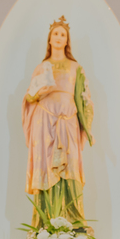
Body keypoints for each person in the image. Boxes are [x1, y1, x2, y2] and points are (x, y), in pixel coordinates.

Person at [23, 15, 95, 227]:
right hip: (44, 120)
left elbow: (85, 98)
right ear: (49, 38)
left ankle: (74, 219)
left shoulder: (76, 67)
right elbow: (29, 96)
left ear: (67, 40)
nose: (59, 37)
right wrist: (37, 93)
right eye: (55, 33)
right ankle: (46, 221)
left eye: (63, 34)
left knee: (71, 166)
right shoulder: (42, 66)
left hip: (68, 120)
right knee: (47, 165)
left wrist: (87, 125)